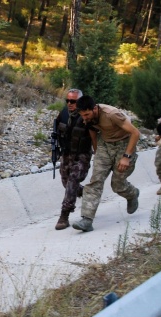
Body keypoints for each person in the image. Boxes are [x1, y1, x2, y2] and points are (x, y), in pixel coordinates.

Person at [72, 96, 141, 232]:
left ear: (95, 108)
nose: (84, 118)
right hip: (105, 145)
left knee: (117, 184)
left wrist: (126, 157)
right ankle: (87, 219)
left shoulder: (112, 114)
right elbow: (92, 131)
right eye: (82, 115)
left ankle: (132, 194)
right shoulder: (88, 118)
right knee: (95, 181)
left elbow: (135, 133)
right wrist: (98, 152)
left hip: (124, 144)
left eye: (86, 114)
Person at [53, 89, 96, 230]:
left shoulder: (87, 116)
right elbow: (57, 131)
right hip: (66, 153)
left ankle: (64, 215)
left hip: (82, 154)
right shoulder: (64, 114)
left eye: (73, 101)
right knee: (66, 181)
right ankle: (85, 193)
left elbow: (96, 135)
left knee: (72, 180)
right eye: (68, 101)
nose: (70, 104)